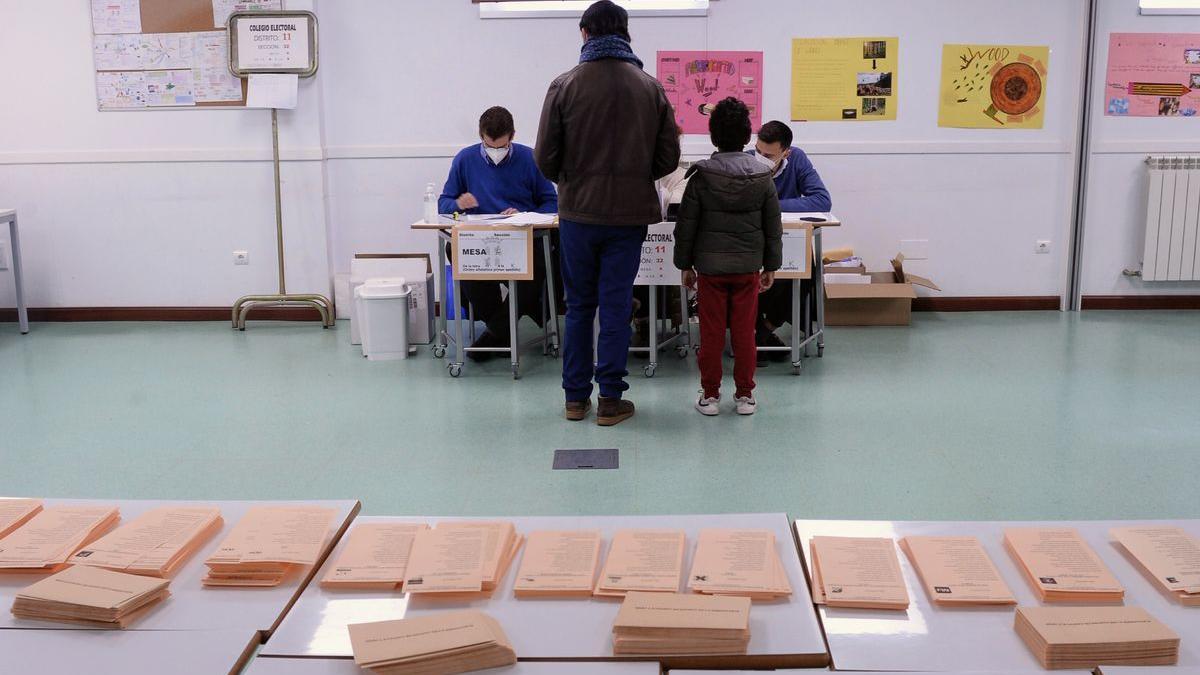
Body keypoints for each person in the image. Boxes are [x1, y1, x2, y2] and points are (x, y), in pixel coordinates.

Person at [535, 0, 680, 426]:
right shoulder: (650, 87)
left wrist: (575, 179)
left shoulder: (564, 85)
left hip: (578, 214)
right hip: (629, 216)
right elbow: (668, 157)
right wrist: (635, 176)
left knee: (578, 307)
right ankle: (611, 402)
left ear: (584, 33)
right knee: (616, 306)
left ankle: (575, 400)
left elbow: (544, 159)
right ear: (626, 33)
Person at [674, 98, 782, 417]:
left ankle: (710, 396)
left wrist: (685, 265)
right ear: (748, 136)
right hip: (748, 269)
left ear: (713, 136)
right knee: (745, 333)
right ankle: (745, 396)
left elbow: (686, 226)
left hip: (710, 270)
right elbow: (772, 226)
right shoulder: (763, 176)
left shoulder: (701, 176)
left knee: (710, 334)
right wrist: (771, 266)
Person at [438, 106, 558, 360]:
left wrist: (524, 214)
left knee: (536, 267)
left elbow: (551, 203)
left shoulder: (529, 158)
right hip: (479, 239)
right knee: (455, 250)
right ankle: (501, 331)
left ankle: (497, 334)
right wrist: (459, 204)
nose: (495, 152)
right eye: (489, 145)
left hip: (522, 239)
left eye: (501, 146)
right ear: (481, 135)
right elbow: (443, 204)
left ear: (512, 137)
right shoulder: (465, 159)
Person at [750, 120, 831, 359]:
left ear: (786, 152)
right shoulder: (745, 159)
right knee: (743, 274)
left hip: (788, 241)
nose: (761, 158)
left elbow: (821, 200)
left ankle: (764, 331)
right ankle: (753, 334)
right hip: (751, 243)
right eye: (759, 151)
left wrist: (771, 205)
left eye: (769, 155)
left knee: (807, 271)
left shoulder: (797, 160)